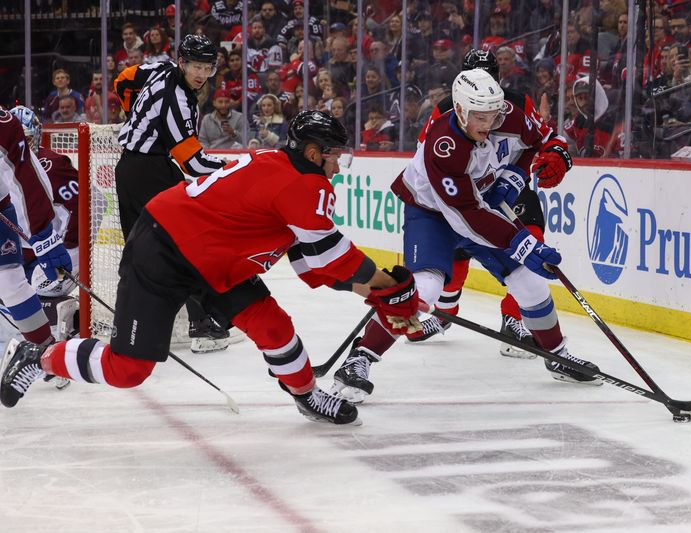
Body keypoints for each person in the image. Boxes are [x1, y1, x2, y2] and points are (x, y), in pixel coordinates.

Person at [0, 111, 421, 427]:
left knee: (274, 327)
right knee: (127, 370)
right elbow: (333, 258)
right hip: (163, 251)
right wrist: (389, 290)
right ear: (313, 154)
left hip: (215, 262)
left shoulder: (283, 168)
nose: (338, 166)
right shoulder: (305, 184)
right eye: (335, 157)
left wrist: (378, 292)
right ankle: (37, 355)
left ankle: (307, 395)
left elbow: (311, 264)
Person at [330, 69, 602, 405]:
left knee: (530, 283)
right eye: (479, 116)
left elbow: (542, 142)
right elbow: (466, 218)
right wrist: (521, 242)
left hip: (480, 206)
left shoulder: (507, 115)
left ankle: (558, 356)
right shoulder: (444, 145)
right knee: (424, 290)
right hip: (433, 213)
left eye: (493, 114)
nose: (488, 123)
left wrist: (529, 169)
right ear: (459, 110)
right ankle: (360, 359)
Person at [411, 49, 569, 360]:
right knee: (455, 254)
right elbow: (428, 158)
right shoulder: (446, 111)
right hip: (467, 191)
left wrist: (553, 157)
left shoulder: (516, 103)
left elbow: (543, 139)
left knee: (530, 243)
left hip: (507, 186)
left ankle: (514, 320)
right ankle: (444, 315)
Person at [113, 34, 230, 353]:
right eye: (195, 66)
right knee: (187, 241)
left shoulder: (160, 67)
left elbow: (123, 80)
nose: (201, 74)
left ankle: (128, 322)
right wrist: (227, 169)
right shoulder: (176, 98)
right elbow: (192, 162)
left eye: (207, 67)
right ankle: (202, 324)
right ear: (182, 62)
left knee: (139, 248)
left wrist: (133, 114)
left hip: (127, 170)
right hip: (152, 172)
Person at [8, 106, 80, 351]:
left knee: (33, 286)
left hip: (60, 252)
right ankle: (64, 318)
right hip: (36, 251)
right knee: (13, 284)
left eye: (27, 137)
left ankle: (59, 314)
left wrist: (67, 242)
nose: (22, 143)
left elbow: (95, 202)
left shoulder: (52, 164)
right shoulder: (9, 165)